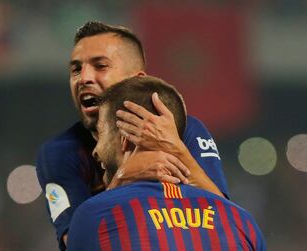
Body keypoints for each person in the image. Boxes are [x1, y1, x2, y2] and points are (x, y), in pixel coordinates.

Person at [36, 21, 229, 250]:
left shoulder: (185, 129)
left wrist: (177, 149)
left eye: (100, 65)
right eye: (76, 69)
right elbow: (74, 244)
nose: (84, 78)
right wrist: (124, 177)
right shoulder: (60, 153)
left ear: (136, 79)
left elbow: (226, 219)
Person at [67, 76, 266, 251]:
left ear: (125, 140)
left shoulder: (93, 216)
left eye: (100, 135)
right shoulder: (243, 223)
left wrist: (119, 180)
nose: (95, 150)